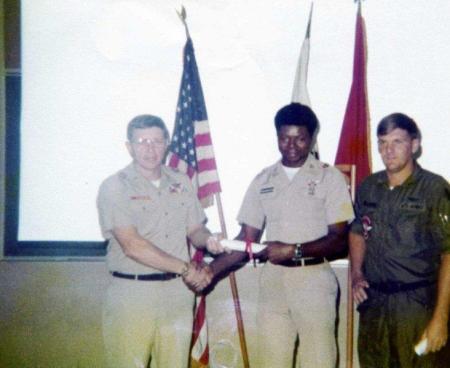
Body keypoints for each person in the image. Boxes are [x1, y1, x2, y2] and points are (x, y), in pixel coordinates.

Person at [208, 103, 355, 368]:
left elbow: (340, 239)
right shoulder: (263, 179)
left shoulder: (329, 177)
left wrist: (293, 250)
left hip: (313, 281)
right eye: (285, 138)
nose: (291, 145)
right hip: (273, 283)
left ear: (311, 139)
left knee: (319, 361)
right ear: (277, 137)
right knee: (271, 361)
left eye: (300, 138)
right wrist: (211, 270)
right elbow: (247, 238)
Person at [96, 115, 221, 368]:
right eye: (142, 141)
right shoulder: (114, 186)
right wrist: (187, 269)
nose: (150, 148)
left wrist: (209, 241)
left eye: (156, 141)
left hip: (177, 293)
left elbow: (195, 229)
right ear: (129, 147)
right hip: (133, 294)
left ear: (167, 144)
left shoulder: (181, 181)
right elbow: (132, 246)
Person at [350, 113, 450, 368]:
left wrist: (440, 318)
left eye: (397, 142)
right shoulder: (369, 187)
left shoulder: (434, 189)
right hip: (375, 306)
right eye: (382, 142)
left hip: (417, 306)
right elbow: (358, 230)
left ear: (414, 145)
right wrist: (356, 273)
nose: (388, 150)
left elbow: (449, 253)